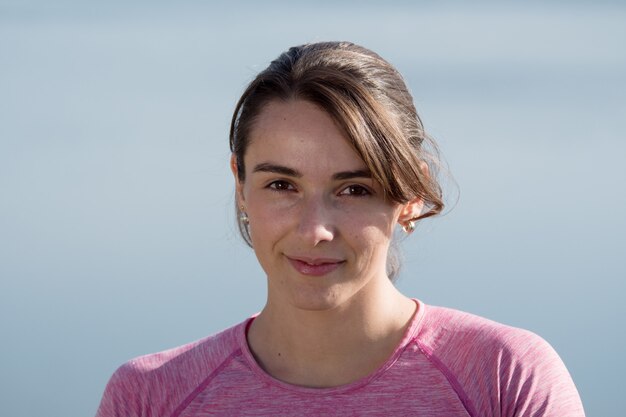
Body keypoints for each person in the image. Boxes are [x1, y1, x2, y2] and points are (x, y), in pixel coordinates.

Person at [95, 41, 585, 416]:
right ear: (240, 186)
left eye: (354, 190)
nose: (314, 231)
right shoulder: (151, 396)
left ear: (411, 195)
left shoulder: (503, 379)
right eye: (282, 185)